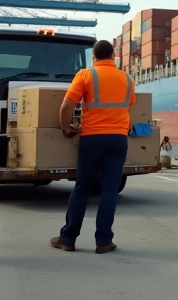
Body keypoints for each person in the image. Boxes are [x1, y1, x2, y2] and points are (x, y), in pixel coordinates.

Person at [51, 39, 135, 254]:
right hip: (118, 140)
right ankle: (104, 241)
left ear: (94, 57)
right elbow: (129, 106)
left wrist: (65, 128)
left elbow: (67, 105)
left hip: (92, 138)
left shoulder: (86, 75)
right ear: (113, 57)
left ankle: (68, 238)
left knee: (82, 187)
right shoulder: (127, 78)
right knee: (109, 189)